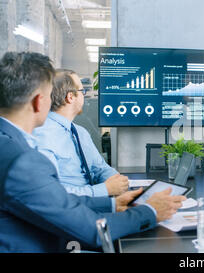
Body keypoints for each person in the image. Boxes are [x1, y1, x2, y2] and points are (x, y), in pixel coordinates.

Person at [0, 52, 186, 252]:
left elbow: (54, 199)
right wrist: (150, 211)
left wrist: (111, 205)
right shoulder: (21, 161)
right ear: (39, 101)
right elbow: (92, 230)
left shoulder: (9, 144)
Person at [33, 69, 127, 197]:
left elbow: (100, 168)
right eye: (82, 91)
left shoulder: (80, 132)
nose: (84, 95)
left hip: (94, 202)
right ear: (70, 97)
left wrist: (118, 182)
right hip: (70, 208)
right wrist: (105, 190)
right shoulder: (42, 135)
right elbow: (52, 194)